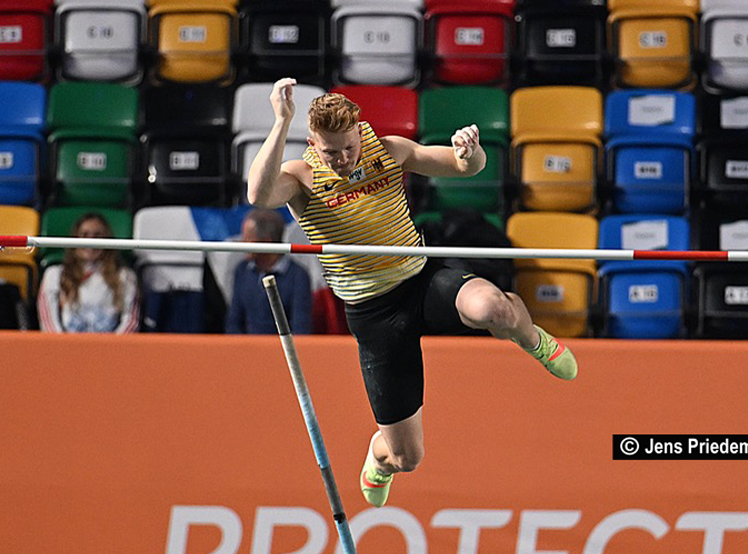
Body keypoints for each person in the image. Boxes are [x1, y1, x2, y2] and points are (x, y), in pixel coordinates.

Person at [247, 78, 578, 508]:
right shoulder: (301, 177)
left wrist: (469, 152)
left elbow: (465, 168)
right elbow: (258, 194)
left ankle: (534, 340)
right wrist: (281, 121)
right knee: (408, 457)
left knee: (493, 308)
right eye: (331, 152)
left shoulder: (390, 151)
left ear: (360, 132)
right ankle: (379, 458)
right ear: (313, 143)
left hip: (421, 280)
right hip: (374, 314)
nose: (343, 159)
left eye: (349, 148)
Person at [38, 213, 139, 333]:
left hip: (111, 343)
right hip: (66, 343)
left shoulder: (125, 276)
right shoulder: (55, 274)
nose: (91, 241)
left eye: (98, 236)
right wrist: (62, 344)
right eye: (84, 235)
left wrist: (113, 344)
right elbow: (49, 324)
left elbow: (130, 322)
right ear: (75, 240)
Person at [226, 208, 313, 334]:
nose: (242, 243)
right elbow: (233, 323)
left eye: (248, 238)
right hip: (247, 345)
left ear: (267, 241)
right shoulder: (242, 271)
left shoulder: (298, 276)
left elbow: (301, 327)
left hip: (284, 345)